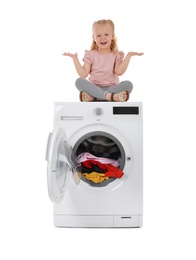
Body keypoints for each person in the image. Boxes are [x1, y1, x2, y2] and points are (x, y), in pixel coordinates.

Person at [62, 19, 144, 102]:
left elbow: (119, 72)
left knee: (128, 85)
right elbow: (83, 74)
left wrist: (129, 56)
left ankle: (94, 97)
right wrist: (74, 59)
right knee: (79, 81)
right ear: (94, 37)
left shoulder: (116, 54)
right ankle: (110, 97)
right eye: (98, 35)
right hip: (93, 87)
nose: (103, 38)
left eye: (106, 34)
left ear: (112, 36)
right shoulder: (90, 54)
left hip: (111, 88)